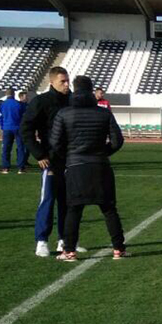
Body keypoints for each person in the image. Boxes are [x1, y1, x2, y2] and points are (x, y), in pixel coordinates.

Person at [49, 75, 128, 262]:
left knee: (74, 210)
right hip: (100, 166)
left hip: (76, 166)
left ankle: (69, 251)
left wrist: (69, 156)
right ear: (92, 90)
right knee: (109, 209)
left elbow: (55, 142)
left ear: (75, 90)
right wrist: (102, 153)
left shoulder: (64, 113)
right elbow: (118, 141)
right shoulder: (104, 113)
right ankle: (119, 249)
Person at [22, 66, 83, 257]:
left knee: (69, 202)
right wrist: (39, 154)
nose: (66, 85)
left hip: (72, 158)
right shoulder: (41, 102)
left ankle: (65, 240)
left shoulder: (74, 101)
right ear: (52, 82)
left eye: (67, 81)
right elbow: (26, 130)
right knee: (48, 200)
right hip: (51, 160)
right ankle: (41, 241)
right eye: (62, 81)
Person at [0, 88, 27, 174]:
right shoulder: (18, 104)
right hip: (17, 127)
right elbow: (23, 116)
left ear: (6, 94)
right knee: (20, 147)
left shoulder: (2, 104)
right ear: (14, 94)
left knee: (6, 148)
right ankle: (21, 168)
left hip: (7, 128)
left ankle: (5, 167)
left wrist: (2, 126)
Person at [17, 91, 30, 172]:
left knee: (27, 145)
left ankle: (25, 161)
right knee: (21, 146)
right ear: (21, 97)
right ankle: (21, 162)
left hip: (27, 127)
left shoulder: (28, 105)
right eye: (25, 96)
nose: (27, 98)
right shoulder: (19, 105)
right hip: (21, 128)